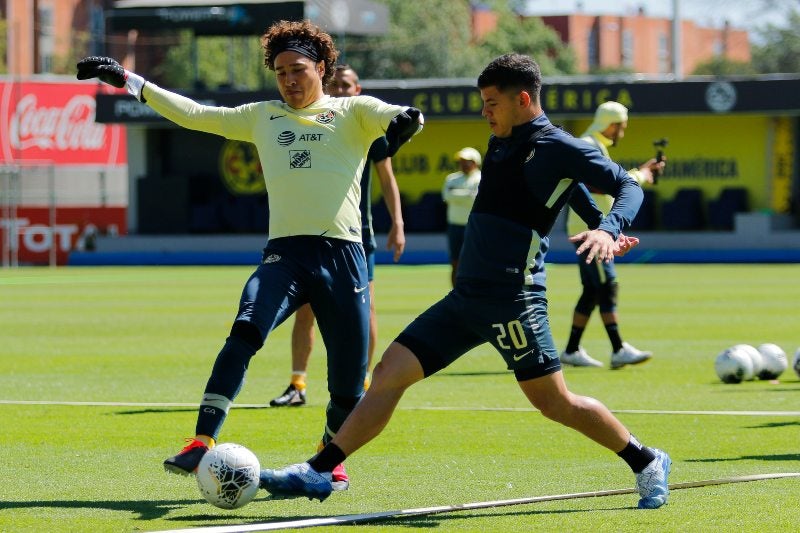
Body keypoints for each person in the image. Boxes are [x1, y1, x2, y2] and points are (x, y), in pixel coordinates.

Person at [258, 53, 671, 510]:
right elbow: (565, 186)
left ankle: (647, 460)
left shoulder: (562, 145)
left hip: (513, 301)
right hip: (466, 298)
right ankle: (320, 472)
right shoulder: (503, 139)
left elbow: (626, 187)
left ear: (524, 99)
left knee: (555, 403)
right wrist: (593, 217)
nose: (484, 111)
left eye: (491, 102)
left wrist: (607, 229)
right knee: (389, 375)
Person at [76, 19, 424, 492]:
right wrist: (130, 81)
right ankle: (202, 440)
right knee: (244, 332)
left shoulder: (353, 110)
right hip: (285, 255)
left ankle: (327, 467)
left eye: (297, 69)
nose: (289, 79)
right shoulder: (263, 116)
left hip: (344, 259)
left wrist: (407, 120)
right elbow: (194, 113)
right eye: (280, 71)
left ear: (321, 67)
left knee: (347, 380)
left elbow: (399, 114)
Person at [270, 64, 406, 407]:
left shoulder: (366, 125)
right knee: (305, 311)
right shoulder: (312, 121)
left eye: (347, 84)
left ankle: (360, 383)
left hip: (357, 237)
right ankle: (297, 384)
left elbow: (387, 179)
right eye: (336, 84)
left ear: (358, 89)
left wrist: (398, 223)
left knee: (365, 311)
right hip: (310, 235)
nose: (341, 90)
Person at [560, 101, 665, 369]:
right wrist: (639, 176)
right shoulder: (589, 144)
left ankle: (573, 350)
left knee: (594, 289)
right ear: (612, 124)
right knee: (606, 285)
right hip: (592, 231)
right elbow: (595, 185)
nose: (623, 132)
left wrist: (640, 174)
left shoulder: (594, 144)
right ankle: (617, 349)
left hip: (590, 228)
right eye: (622, 127)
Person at [442, 147, 482, 286]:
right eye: (461, 161)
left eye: (467, 161)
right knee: (455, 263)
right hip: (454, 226)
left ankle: (474, 292)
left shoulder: (481, 178)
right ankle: (456, 293)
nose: (463, 164)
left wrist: (457, 194)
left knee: (474, 262)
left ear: (475, 162)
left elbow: (474, 198)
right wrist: (467, 193)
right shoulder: (452, 178)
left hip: (474, 227)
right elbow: (447, 196)